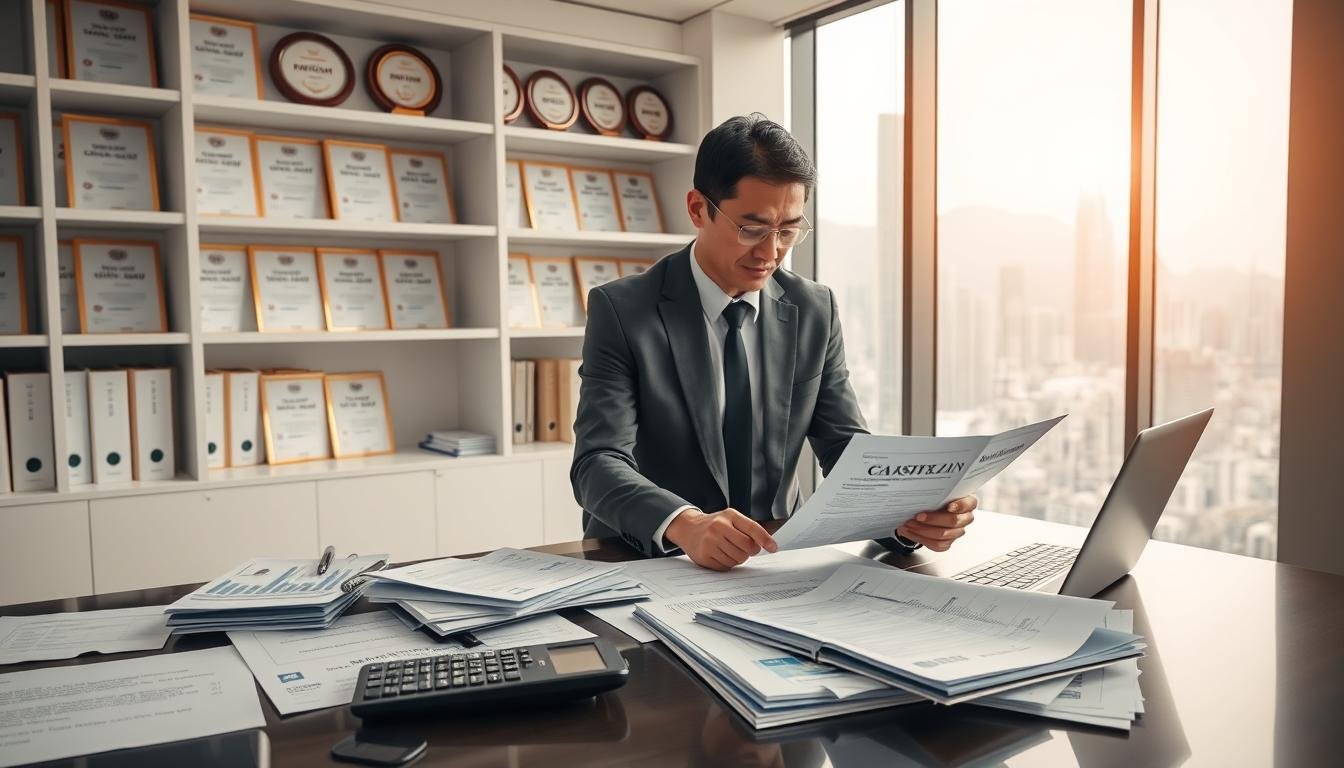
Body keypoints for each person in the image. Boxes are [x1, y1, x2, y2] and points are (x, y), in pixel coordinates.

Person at [570, 113, 977, 570]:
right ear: (697, 209)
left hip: (778, 564)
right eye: (752, 228)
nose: (771, 253)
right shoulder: (624, 310)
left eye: (787, 231)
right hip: (653, 561)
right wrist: (685, 523)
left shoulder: (813, 309)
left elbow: (845, 447)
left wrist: (909, 515)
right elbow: (597, 463)